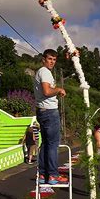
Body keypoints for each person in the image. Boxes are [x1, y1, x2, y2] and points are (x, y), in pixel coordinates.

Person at [33, 49, 67, 185]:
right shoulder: (45, 72)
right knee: (53, 144)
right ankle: (53, 175)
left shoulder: (40, 72)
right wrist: (59, 89)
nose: (52, 62)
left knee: (46, 144)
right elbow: (47, 91)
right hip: (50, 112)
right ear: (43, 59)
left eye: (54, 59)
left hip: (41, 111)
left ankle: (43, 174)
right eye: (50, 59)